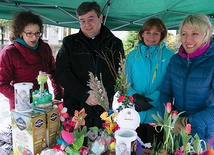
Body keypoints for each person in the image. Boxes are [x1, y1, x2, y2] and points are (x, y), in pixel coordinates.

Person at [56, 1, 124, 128]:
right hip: (76, 107)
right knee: (76, 145)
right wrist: (84, 95)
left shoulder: (115, 44)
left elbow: (119, 74)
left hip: (105, 109)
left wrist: (105, 96)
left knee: (105, 146)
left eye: (91, 19)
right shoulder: (69, 43)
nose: (87, 24)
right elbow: (62, 73)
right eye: (82, 20)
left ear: (100, 18)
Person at [160, 14, 214, 142]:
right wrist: (171, 118)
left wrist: (186, 121)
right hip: (177, 130)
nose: (188, 40)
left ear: (206, 35)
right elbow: (165, 93)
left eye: (195, 34)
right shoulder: (175, 60)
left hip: (205, 133)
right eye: (184, 34)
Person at [0, 11, 63, 110]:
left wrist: (58, 96)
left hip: (44, 102)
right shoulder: (9, 53)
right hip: (21, 106)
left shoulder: (44, 48)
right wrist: (25, 100)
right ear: (20, 32)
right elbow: (2, 84)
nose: (34, 37)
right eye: (29, 33)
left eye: (37, 33)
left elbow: (53, 72)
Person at [125, 18, 174, 145]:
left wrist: (151, 100)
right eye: (148, 32)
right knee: (136, 149)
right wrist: (135, 97)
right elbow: (126, 82)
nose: (151, 37)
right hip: (136, 114)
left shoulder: (170, 56)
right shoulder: (133, 55)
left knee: (156, 149)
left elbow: (171, 84)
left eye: (156, 33)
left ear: (162, 35)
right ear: (142, 34)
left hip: (158, 115)